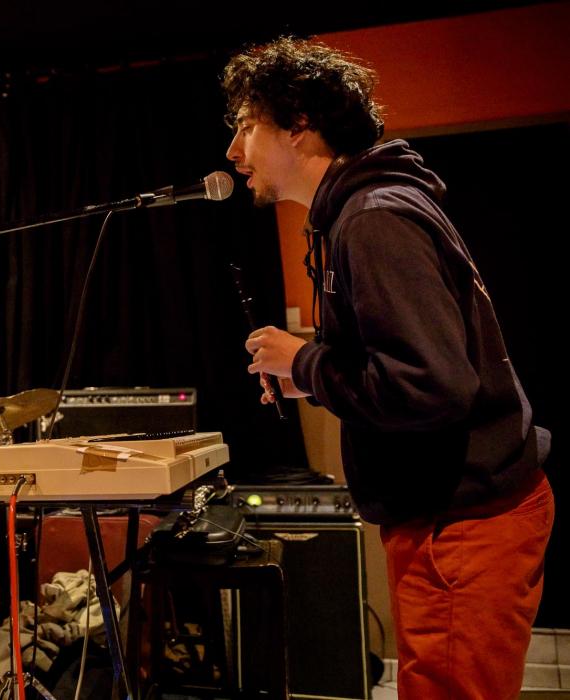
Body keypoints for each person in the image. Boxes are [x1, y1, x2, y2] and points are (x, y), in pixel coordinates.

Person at [223, 37, 553, 698]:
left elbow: (433, 388)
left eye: (247, 125)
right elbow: (409, 367)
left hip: (461, 523)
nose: (233, 151)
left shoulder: (373, 219)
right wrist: (311, 374)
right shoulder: (364, 210)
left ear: (298, 123)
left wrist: (307, 362)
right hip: (449, 517)